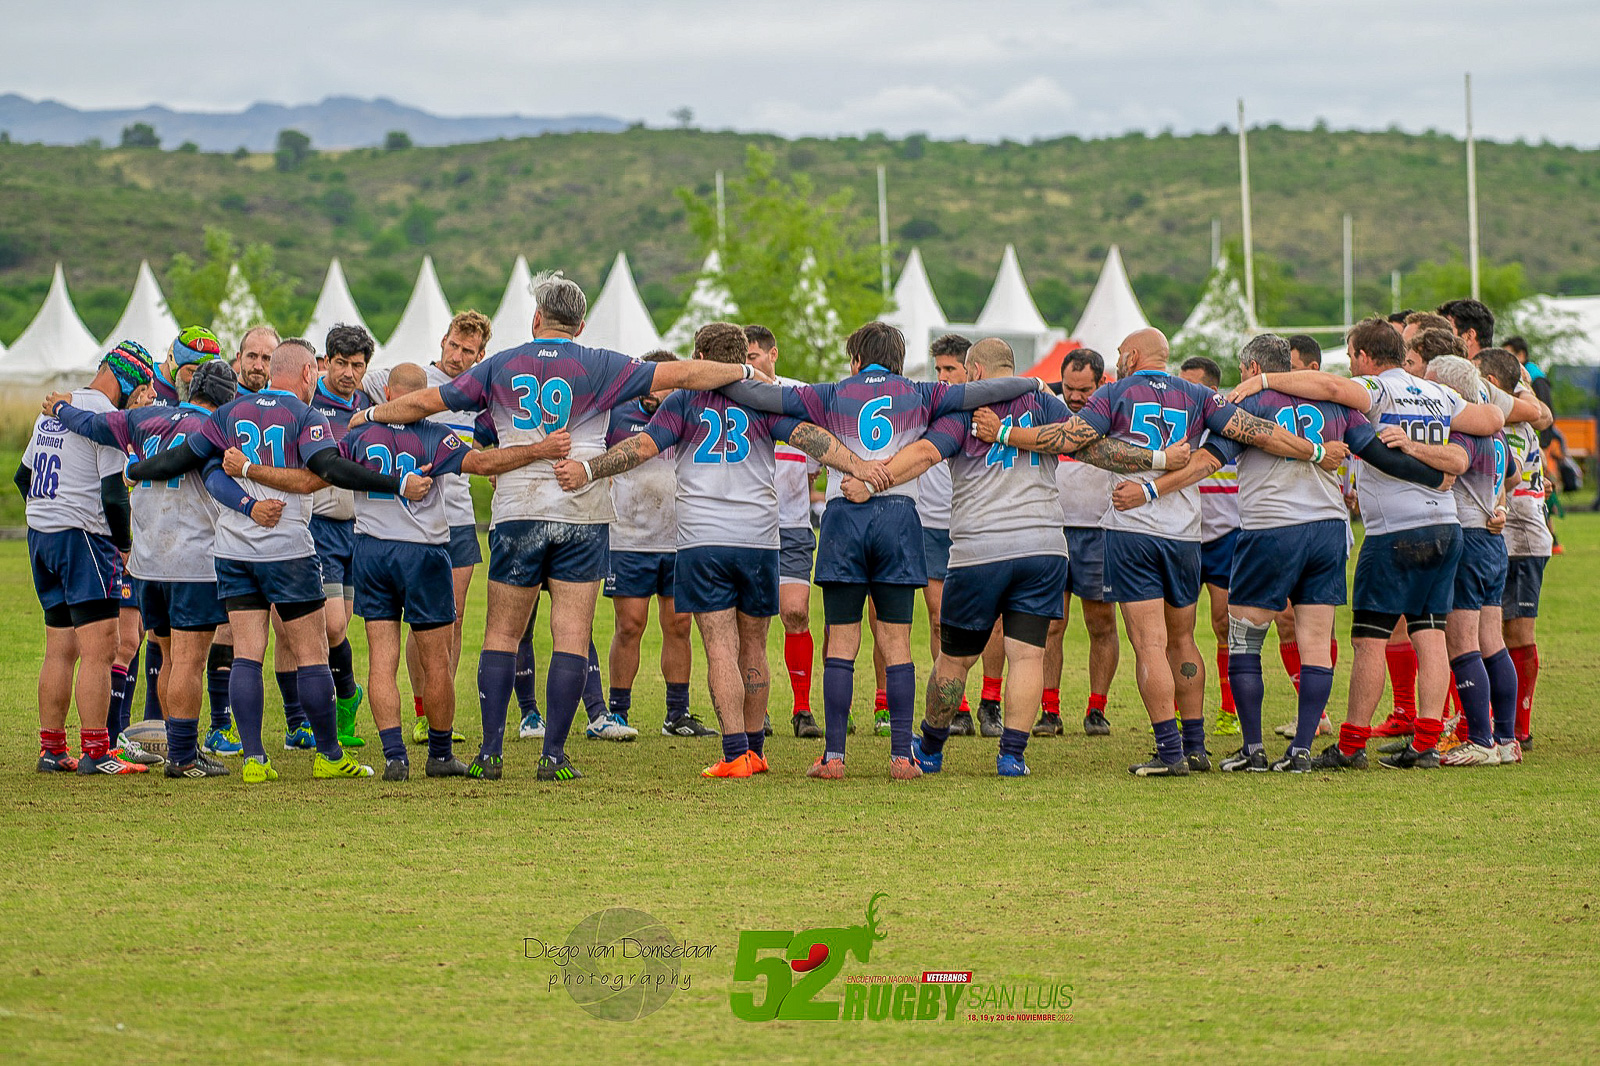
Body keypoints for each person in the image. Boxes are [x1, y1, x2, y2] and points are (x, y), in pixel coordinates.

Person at [347, 272, 772, 782]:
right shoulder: (600, 363)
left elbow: (426, 403)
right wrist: (743, 369)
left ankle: (491, 752)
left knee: (501, 633)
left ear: (535, 319)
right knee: (571, 634)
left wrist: (371, 412)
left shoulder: (500, 363)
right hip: (582, 509)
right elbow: (681, 375)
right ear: (581, 324)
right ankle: (553, 754)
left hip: (518, 509)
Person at [986, 327, 1339, 778]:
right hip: (1185, 534)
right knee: (1183, 640)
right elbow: (1259, 431)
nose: (1117, 360)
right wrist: (1314, 450)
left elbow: (1068, 438)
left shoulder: (1114, 392)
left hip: (1132, 531)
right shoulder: (1197, 394)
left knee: (1148, 644)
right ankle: (1196, 745)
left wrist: (1005, 433)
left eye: (1119, 353)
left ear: (1132, 356)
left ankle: (1169, 750)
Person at [719, 321, 1044, 780]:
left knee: (843, 639)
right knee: (896, 642)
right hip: (898, 517)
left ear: (855, 359)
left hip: (844, 518)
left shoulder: (829, 393)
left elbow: (766, 398)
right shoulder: (924, 392)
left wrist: (722, 376)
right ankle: (900, 756)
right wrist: (1030, 382)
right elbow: (981, 392)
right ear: (897, 359)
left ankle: (834, 757)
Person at [553, 323, 874, 778]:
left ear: (699, 355)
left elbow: (641, 447)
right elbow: (810, 439)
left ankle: (733, 753)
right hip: (760, 540)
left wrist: (588, 469)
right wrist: (861, 466)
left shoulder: (684, 400)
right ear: (743, 355)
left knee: (720, 648)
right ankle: (757, 750)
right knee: (755, 648)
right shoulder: (763, 397)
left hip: (703, 541)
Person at [1125, 334, 1447, 772]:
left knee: (1244, 639)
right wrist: (1433, 476)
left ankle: (1253, 748)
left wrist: (1151, 488)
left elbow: (1205, 462)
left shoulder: (1248, 406)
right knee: (1315, 643)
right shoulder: (1338, 408)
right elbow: (1379, 456)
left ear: (1254, 370)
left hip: (1271, 530)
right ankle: (1300, 751)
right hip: (1328, 530)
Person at [846, 339, 1165, 777]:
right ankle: (1012, 755)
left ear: (974, 373)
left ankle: (933, 748)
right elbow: (1093, 447)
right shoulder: (1043, 401)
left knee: (955, 658)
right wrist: (1158, 459)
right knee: (1028, 656)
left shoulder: (963, 412)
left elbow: (922, 455)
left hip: (981, 550)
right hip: (1044, 548)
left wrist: (872, 482)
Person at [126, 339, 433, 783]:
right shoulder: (305, 416)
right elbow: (331, 469)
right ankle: (329, 755)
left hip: (232, 551)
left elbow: (185, 459)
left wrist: (137, 470)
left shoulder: (227, 413)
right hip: (286, 550)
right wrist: (396, 482)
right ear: (310, 374)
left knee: (247, 653)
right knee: (311, 653)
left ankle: (254, 759)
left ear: (274, 371)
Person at [1228, 317, 1506, 770]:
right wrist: (1438, 461)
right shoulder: (1437, 392)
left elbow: (1333, 390)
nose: (1350, 367)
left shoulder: (1378, 389)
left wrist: (1265, 379)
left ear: (1363, 357)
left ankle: (1352, 744)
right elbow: (1491, 418)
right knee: (1430, 633)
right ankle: (1427, 742)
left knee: (1370, 640)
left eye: (1352, 355)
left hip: (1395, 529)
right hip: (1446, 525)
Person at [343, 362, 560, 779]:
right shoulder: (436, 436)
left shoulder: (358, 435)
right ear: (424, 400)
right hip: (423, 554)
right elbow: (482, 464)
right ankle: (440, 754)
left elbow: (330, 467)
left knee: (381, 659)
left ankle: (393, 757)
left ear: (387, 393)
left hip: (370, 550)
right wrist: (536, 451)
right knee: (437, 660)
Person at [44, 360, 259, 777]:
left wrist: (60, 409)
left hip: (146, 563)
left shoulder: (144, 416)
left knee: (165, 653)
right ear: (227, 399)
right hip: (194, 562)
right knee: (190, 662)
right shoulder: (218, 429)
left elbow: (92, 424)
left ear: (190, 387)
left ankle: (178, 745)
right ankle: (182, 755)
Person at [22, 341, 155, 775]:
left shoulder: (57, 408)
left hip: (40, 533)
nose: (141, 401)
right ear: (128, 382)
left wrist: (52, 511)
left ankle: (52, 750)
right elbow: (114, 494)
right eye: (142, 392)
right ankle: (97, 752)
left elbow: (23, 477)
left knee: (59, 648)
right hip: (82, 538)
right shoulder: (106, 419)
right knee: (102, 648)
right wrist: (125, 544)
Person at [366, 312, 494, 743]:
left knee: (451, 622)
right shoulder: (416, 378)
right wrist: (363, 417)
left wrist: (487, 459)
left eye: (468, 351)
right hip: (412, 521)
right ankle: (423, 711)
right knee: (418, 623)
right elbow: (362, 383)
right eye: (453, 346)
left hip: (459, 521)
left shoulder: (479, 394)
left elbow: (481, 440)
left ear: (481, 355)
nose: (457, 356)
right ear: (443, 341)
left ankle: (438, 716)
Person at [1416, 355, 1519, 767]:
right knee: (1492, 641)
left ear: (1450, 389)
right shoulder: (1494, 433)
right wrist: (1499, 505)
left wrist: (1409, 446)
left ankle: (1480, 738)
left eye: (1430, 384)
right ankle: (1507, 738)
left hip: (1470, 539)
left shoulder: (1464, 428)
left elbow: (1451, 468)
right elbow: (1510, 476)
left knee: (1461, 642)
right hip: (1493, 543)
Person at [599, 350, 693, 739]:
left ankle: (678, 714)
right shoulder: (617, 416)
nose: (659, 391)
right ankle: (618, 712)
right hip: (629, 538)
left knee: (679, 625)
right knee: (630, 625)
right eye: (652, 383)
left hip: (679, 539)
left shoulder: (686, 416)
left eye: (666, 383)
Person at [746, 324, 826, 739]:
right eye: (742, 357)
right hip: (748, 528)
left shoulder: (800, 397)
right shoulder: (734, 398)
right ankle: (755, 710)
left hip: (793, 526)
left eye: (754, 356)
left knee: (794, 612)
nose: (748, 364)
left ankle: (802, 708)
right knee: (753, 622)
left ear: (773, 355)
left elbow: (814, 468)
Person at [1476, 346, 1551, 748]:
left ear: (1489, 384)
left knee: (1518, 632)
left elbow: (1510, 477)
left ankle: (1520, 727)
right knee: (1495, 632)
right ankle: (1492, 720)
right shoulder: (1508, 420)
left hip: (1520, 537)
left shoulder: (1512, 426)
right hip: (1509, 536)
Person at [1044, 348, 1121, 737]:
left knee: (1101, 622)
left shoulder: (1110, 412)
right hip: (1052, 529)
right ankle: (1049, 710)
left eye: (1084, 389)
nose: (1075, 397)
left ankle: (1097, 709)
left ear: (1101, 383)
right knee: (1051, 624)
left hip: (1098, 530)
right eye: (1070, 388)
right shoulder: (1048, 410)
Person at [308, 324, 377, 748]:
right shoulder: (310, 405)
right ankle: (341, 700)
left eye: (358, 365)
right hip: (319, 526)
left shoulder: (369, 404)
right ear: (326, 363)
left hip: (359, 528)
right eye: (341, 364)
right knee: (332, 625)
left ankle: (345, 701)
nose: (350, 373)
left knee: (341, 626)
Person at [915, 334, 979, 735]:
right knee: (940, 619)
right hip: (932, 524)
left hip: (976, 525)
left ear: (970, 370)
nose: (941, 377)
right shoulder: (927, 407)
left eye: (949, 369)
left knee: (988, 623)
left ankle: (990, 700)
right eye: (937, 368)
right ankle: (957, 706)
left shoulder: (987, 408)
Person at [1177, 355, 1241, 739]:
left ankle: (1229, 709)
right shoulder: (1174, 426)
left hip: (1225, 538)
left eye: (1191, 386)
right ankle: (1176, 713)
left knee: (1224, 624)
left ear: (1211, 391)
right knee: (1175, 631)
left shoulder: (1230, 427)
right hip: (1183, 537)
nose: (1181, 393)